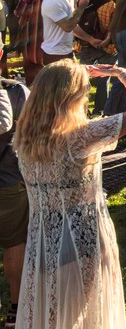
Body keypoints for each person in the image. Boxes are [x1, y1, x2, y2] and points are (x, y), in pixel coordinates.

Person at [14, 60, 126, 328]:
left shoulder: (23, 138)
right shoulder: (80, 137)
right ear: (71, 97)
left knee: (51, 314)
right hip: (82, 237)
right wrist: (122, 74)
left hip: (42, 240)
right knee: (81, 316)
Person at [0, 79, 29, 327]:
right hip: (9, 179)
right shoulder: (15, 91)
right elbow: (34, 133)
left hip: (9, 180)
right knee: (14, 243)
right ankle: (15, 307)